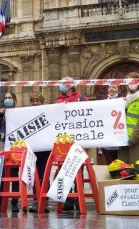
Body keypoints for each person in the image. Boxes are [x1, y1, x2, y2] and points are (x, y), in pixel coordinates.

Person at [55, 77, 87, 212]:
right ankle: (68, 199)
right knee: (64, 171)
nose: (61, 86)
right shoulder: (58, 100)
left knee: (78, 171)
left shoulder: (81, 98)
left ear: (70, 86)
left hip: (78, 142)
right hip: (63, 142)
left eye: (63, 84)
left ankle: (80, 199)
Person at [0, 92, 20, 212]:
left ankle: (14, 203)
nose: (7, 100)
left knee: (14, 175)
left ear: (15, 100)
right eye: (6, 98)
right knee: (1, 175)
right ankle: (0, 202)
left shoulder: (20, 113)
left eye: (10, 98)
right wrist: (0, 116)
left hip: (14, 146)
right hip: (0, 145)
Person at [28, 92, 50, 213]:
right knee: (35, 176)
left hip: (46, 150)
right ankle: (36, 202)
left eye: (38, 101)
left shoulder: (47, 112)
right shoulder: (28, 114)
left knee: (44, 176)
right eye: (33, 101)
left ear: (42, 102)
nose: (35, 103)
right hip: (33, 150)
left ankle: (45, 203)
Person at [99, 85, 121, 165]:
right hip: (108, 141)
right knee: (110, 165)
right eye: (109, 87)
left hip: (120, 141)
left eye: (114, 87)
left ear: (119, 91)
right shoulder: (103, 103)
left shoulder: (123, 102)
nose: (111, 89)